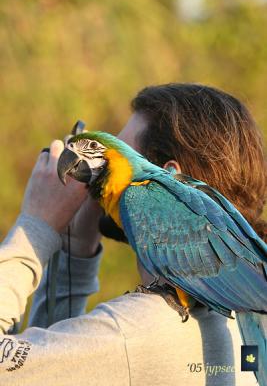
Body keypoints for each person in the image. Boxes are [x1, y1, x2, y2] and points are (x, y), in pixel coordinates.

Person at [0, 84, 265, 386]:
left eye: (117, 155)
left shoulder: (131, 333)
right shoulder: (234, 322)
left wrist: (34, 226)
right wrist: (75, 249)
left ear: (170, 176)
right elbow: (51, 367)